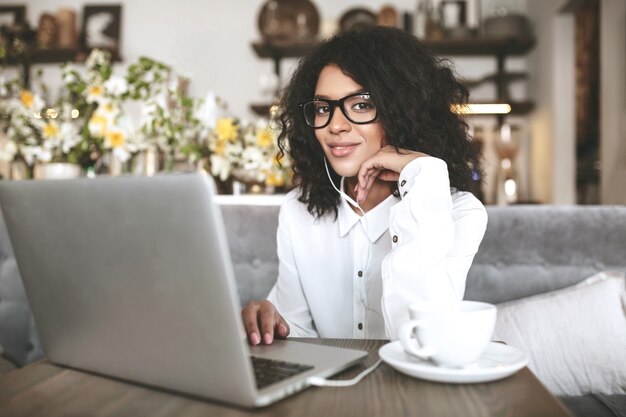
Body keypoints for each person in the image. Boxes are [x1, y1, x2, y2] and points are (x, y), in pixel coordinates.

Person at [241, 26, 488, 346]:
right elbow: (298, 331)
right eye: (322, 108)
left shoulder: (460, 213)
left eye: (360, 105)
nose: (335, 125)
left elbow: (423, 340)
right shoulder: (297, 209)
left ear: (403, 111)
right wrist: (271, 322)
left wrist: (423, 174)